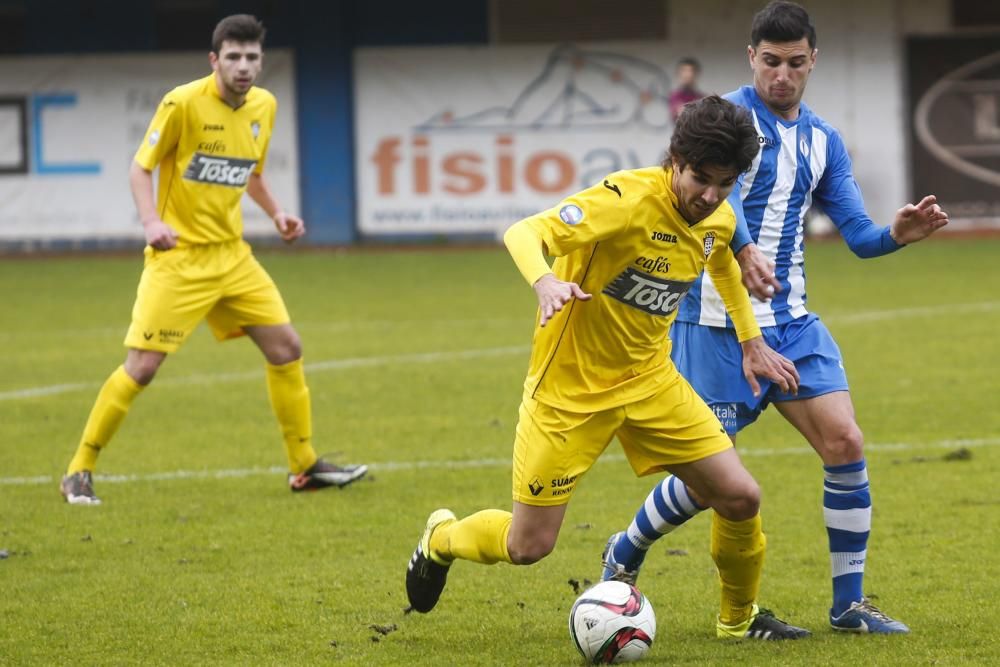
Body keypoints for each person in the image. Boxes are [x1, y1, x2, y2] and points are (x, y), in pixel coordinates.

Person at [600, 0, 949, 635]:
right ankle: (624, 550)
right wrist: (740, 246)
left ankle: (849, 605)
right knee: (713, 484)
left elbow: (860, 237)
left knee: (845, 442)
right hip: (712, 322)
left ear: (812, 60)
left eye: (794, 62)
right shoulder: (725, 121)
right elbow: (678, 199)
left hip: (791, 320)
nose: (781, 75)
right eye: (770, 62)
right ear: (751, 58)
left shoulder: (822, 141)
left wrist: (897, 234)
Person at [406, 96, 811, 641]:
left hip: (651, 383)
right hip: (568, 394)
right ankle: (442, 538)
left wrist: (751, 341)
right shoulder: (624, 200)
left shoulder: (717, 214)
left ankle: (738, 622)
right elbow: (523, 233)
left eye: (726, 182)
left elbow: (721, 264)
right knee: (529, 546)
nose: (710, 195)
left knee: (741, 496)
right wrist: (545, 281)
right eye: (700, 178)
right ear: (675, 160)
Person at [59, 14, 367, 505]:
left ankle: (304, 466)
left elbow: (253, 174)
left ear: (261, 62)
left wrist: (279, 214)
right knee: (141, 367)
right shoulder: (182, 103)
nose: (243, 66)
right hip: (178, 260)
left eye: (251, 58)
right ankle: (79, 468)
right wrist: (151, 224)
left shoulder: (264, 105)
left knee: (286, 347)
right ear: (214, 59)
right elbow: (141, 171)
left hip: (233, 258)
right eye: (233, 57)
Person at [668, 57, 706, 121]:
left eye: (690, 71)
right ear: (679, 74)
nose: (687, 75)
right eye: (684, 71)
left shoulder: (702, 97)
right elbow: (678, 113)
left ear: (696, 74)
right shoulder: (674, 96)